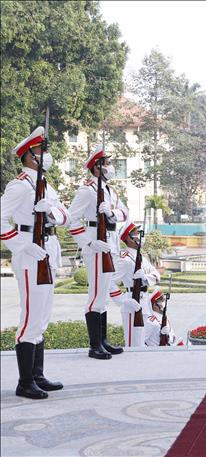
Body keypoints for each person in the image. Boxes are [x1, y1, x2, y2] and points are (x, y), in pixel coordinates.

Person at [1, 127, 69, 399]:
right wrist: (23, 244)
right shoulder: (19, 185)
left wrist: (50, 209)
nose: (47, 155)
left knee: (41, 316)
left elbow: (64, 217)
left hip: (48, 251)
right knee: (30, 316)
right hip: (30, 253)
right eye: (43, 151)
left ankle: (38, 375)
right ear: (30, 156)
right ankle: (25, 382)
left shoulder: (46, 185)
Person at [68, 145, 129, 360]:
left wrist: (111, 212)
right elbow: (71, 219)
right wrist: (89, 243)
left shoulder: (111, 190)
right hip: (96, 243)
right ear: (97, 167)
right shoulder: (86, 190)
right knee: (95, 294)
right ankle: (94, 346)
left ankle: (103, 341)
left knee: (103, 294)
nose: (111, 167)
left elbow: (125, 213)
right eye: (107, 163)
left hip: (111, 241)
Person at [110, 221, 160, 347]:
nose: (139, 236)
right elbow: (109, 282)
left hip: (145, 302)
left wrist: (145, 278)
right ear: (128, 238)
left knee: (143, 343)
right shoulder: (125, 260)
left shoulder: (141, 257)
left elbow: (156, 275)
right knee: (133, 344)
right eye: (136, 233)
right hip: (131, 303)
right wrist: (123, 300)